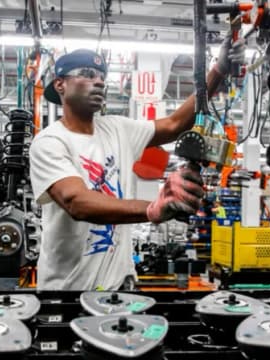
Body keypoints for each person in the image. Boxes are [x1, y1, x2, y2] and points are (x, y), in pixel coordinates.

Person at [29, 35, 245, 291]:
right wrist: (152, 208)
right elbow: (76, 202)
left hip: (121, 287)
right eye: (87, 74)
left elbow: (175, 124)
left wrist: (217, 71)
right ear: (60, 84)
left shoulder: (118, 128)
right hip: (67, 292)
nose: (98, 81)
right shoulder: (49, 141)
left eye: (101, 75)